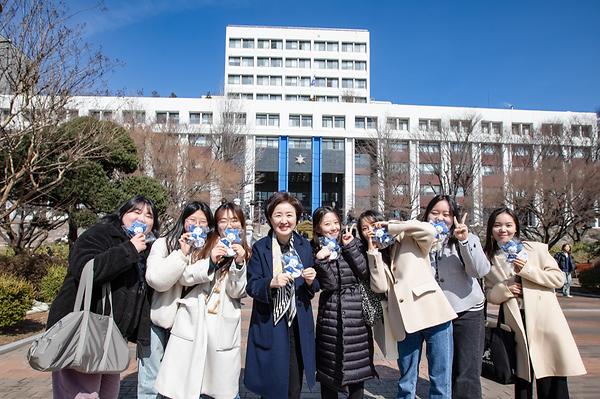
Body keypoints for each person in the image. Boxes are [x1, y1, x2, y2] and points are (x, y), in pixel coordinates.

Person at [47, 195, 159, 399]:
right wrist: (129, 249)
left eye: (149, 215)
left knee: (109, 394)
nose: (142, 219)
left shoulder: (145, 249)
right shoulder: (100, 234)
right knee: (82, 394)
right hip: (83, 331)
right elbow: (86, 270)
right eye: (136, 212)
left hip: (111, 336)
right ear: (122, 214)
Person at [483, 207, 586, 399]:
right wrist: (505, 289)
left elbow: (558, 279)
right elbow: (489, 294)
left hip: (544, 319)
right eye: (497, 225)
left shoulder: (535, 249)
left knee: (550, 373)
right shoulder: (489, 258)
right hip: (514, 321)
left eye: (508, 225)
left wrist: (526, 269)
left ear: (516, 227)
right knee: (523, 377)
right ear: (491, 229)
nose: (502, 229)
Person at [153, 202, 250, 399]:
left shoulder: (245, 251)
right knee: (186, 386)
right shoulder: (204, 244)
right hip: (193, 321)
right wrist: (211, 261)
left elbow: (237, 291)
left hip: (223, 324)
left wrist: (239, 264)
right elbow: (184, 277)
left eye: (234, 220)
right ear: (216, 224)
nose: (229, 225)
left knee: (220, 388)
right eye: (223, 220)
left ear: (241, 225)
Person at [359, 210, 457, 399]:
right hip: (404, 320)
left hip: (433, 312)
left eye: (373, 225)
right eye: (364, 228)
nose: (369, 231)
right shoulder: (374, 254)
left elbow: (429, 231)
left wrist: (393, 227)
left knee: (440, 377)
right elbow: (379, 286)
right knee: (406, 379)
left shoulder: (408, 238)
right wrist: (373, 252)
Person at [244, 192, 319, 399]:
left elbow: (313, 288)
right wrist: (270, 283)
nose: (284, 221)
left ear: (297, 217)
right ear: (270, 218)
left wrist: (312, 280)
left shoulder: (305, 247)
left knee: (293, 386)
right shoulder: (261, 248)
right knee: (271, 386)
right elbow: (251, 285)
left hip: (297, 324)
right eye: (278, 215)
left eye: (289, 215)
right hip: (271, 321)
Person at [142, 201, 213, 398]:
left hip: (191, 326)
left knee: (183, 383)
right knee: (151, 382)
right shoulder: (164, 243)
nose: (197, 226)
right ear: (183, 221)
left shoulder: (211, 250)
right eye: (192, 220)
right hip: (161, 323)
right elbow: (156, 280)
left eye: (203, 222)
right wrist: (181, 254)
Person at [422, 195, 490, 399]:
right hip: (438, 314)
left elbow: (480, 270)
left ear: (455, 217)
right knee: (443, 368)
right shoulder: (420, 240)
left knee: (467, 369)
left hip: (467, 311)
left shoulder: (466, 238)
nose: (440, 218)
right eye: (434, 213)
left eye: (446, 214)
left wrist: (464, 241)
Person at [312, 206, 377, 399]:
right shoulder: (316, 249)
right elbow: (330, 284)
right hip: (331, 313)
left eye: (335, 222)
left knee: (358, 370)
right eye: (327, 224)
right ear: (317, 228)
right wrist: (321, 261)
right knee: (328, 371)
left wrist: (349, 248)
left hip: (356, 313)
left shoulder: (354, 243)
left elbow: (365, 274)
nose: (333, 228)